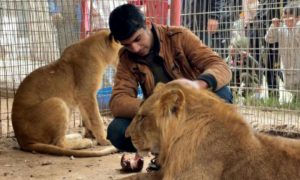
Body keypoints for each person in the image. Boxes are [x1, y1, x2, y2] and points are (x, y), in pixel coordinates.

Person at [107, 4, 233, 171]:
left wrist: (197, 85)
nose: (135, 48)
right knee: (117, 130)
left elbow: (220, 66)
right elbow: (117, 102)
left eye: (137, 39)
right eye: (127, 45)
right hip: (161, 120)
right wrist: (152, 107)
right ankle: (166, 155)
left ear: (148, 24)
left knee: (222, 94)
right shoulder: (126, 57)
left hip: (192, 112)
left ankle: (201, 152)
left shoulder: (179, 36)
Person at [265, 1, 300, 100]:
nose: (286, 19)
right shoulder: (281, 29)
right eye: (284, 16)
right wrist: (273, 27)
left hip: (298, 65)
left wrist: (296, 26)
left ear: (298, 18)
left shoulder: (298, 28)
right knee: (290, 86)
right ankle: (296, 99)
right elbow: (269, 39)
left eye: (290, 16)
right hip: (287, 67)